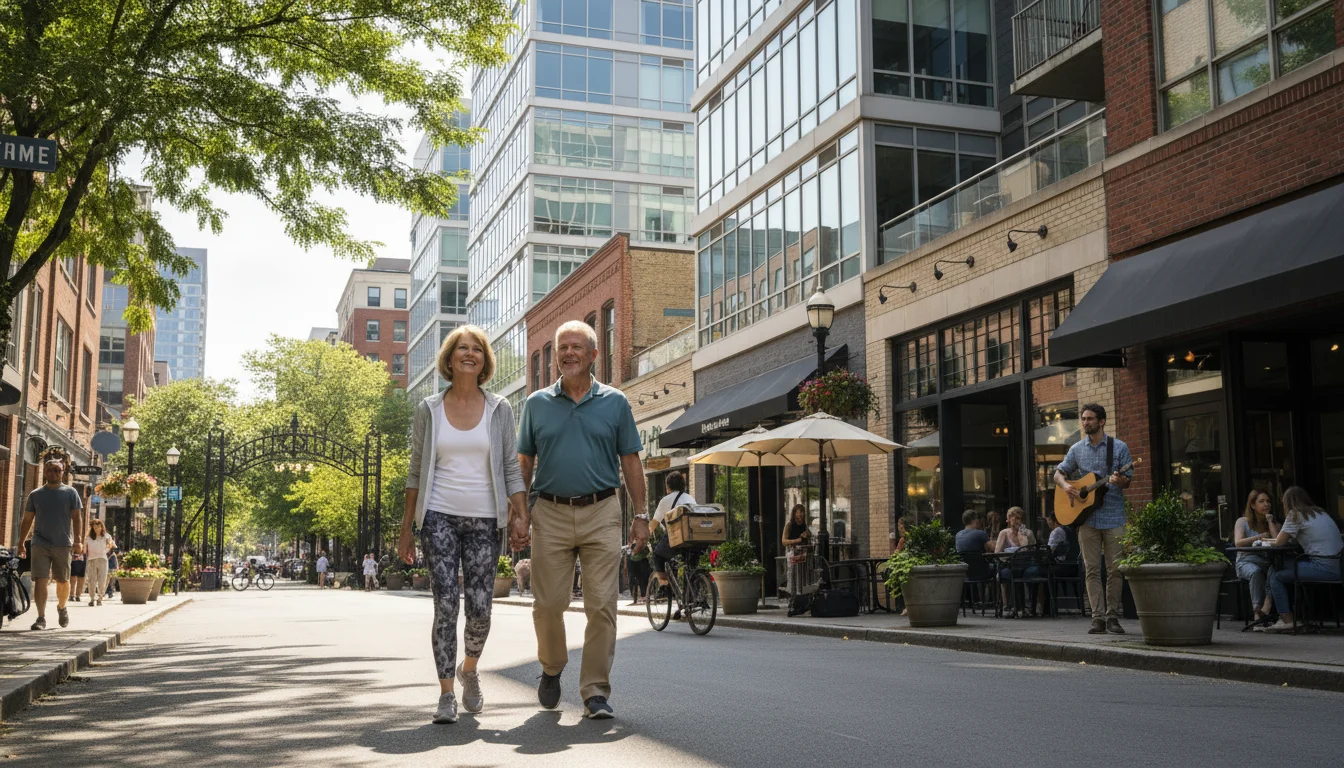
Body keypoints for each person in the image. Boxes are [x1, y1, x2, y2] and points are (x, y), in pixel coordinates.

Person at [515, 320, 645, 721]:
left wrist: (641, 515)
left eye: (576, 347)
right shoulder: (536, 404)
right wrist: (519, 512)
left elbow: (631, 461)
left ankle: (594, 692)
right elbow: (524, 461)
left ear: (594, 354)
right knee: (548, 604)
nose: (568, 353)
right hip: (549, 512)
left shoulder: (616, 402)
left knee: (602, 605)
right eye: (562, 348)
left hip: (603, 510)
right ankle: (552, 667)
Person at [399, 324, 526, 725]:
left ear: (484, 360)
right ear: (450, 359)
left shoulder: (500, 408)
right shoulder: (429, 410)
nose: (469, 354)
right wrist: (406, 528)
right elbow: (416, 473)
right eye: (461, 349)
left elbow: (509, 466)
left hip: (486, 519)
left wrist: (521, 514)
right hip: (438, 515)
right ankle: (445, 694)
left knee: (481, 609)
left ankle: (469, 669)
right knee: (445, 606)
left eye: (476, 349)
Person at [1054, 403, 1133, 635]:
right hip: (1086, 519)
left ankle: (1113, 617)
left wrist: (1120, 481)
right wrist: (1066, 485)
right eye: (1083, 419)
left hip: (1114, 516)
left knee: (1115, 569)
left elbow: (1128, 479)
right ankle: (1097, 618)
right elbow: (1059, 472)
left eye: (1090, 419)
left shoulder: (1119, 448)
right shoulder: (1077, 449)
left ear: (1102, 421)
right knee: (1091, 570)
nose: (1085, 422)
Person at [1259, 487, 1343, 633]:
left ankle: (1286, 620)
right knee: (1275, 567)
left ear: (1288, 502)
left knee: (1277, 576)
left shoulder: (1295, 515)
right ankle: (1272, 606)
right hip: (1338, 565)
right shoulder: (1320, 512)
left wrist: (1263, 541)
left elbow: (1279, 542)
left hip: (1322, 567)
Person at [17, 459, 85, 630]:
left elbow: (77, 518)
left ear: (62, 472)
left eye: (57, 470)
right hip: (40, 542)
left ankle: (62, 607)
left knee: (62, 580)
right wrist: (21, 542)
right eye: (50, 470)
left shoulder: (70, 493)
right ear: (45, 472)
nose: (53, 473)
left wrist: (78, 540)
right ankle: (41, 618)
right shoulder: (36, 494)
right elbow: (27, 519)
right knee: (41, 578)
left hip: (63, 543)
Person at [1234, 489, 1279, 626]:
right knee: (1256, 572)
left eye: (1268, 501)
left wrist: (1270, 521)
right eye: (1261, 501)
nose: (1266, 504)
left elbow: (1277, 540)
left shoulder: (1272, 522)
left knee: (1277, 571)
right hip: (1246, 562)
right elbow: (1238, 543)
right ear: (1253, 505)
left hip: (1266, 562)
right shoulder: (1243, 522)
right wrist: (1259, 536)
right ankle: (1257, 612)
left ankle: (1268, 606)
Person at [649, 471, 695, 586]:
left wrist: (644, 536)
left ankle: (664, 587)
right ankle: (692, 594)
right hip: (694, 538)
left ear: (667, 486)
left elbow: (654, 523)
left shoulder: (666, 500)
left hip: (678, 539)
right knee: (690, 567)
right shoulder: (690, 498)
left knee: (657, 555)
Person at [994, 507, 1041, 616]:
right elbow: (997, 552)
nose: (1015, 521)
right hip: (1009, 564)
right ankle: (1011, 607)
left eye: (1018, 518)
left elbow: (1032, 551)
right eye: (1012, 518)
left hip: (1026, 565)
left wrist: (1022, 536)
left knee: (1032, 573)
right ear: (1008, 519)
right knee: (1007, 574)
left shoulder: (1028, 533)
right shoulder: (1004, 533)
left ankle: (1030, 606)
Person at [782, 504, 810, 598]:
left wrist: (807, 535)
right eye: (799, 512)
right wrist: (798, 540)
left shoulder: (804, 525)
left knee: (802, 575)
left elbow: (807, 538)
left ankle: (801, 596)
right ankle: (792, 596)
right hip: (792, 553)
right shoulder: (789, 525)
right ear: (794, 513)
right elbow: (784, 541)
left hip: (802, 553)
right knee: (792, 574)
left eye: (803, 512)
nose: (801, 515)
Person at [85, 519, 115, 607]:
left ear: (102, 527)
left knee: (102, 580)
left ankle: (100, 598)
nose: (97, 529)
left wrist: (106, 551)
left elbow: (111, 546)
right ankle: (92, 598)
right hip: (91, 560)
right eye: (95, 527)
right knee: (91, 580)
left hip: (102, 560)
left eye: (98, 527)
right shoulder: (88, 537)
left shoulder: (106, 536)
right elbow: (84, 549)